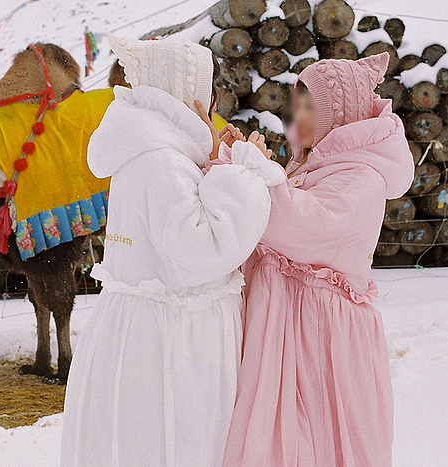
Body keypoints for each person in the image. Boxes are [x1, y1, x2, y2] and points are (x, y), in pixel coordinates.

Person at [60, 35, 286, 467]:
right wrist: (243, 173)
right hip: (172, 342)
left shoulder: (149, 146)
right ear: (185, 92)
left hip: (148, 327)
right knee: (177, 440)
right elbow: (198, 249)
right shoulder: (161, 157)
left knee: (140, 441)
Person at [223, 52, 413, 467]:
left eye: (312, 108)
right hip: (295, 323)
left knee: (313, 438)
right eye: (298, 106)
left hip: (319, 335)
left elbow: (306, 227)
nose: (299, 118)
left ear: (338, 116)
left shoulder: (361, 175)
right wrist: (235, 165)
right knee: (289, 437)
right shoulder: (315, 161)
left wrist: (252, 173)